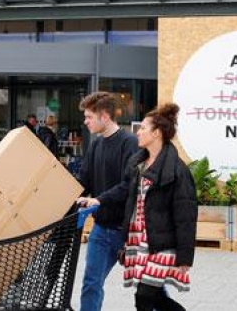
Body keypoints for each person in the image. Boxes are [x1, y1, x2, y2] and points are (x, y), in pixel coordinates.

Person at [121, 103, 197, 311]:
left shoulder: (177, 171)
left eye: (143, 128)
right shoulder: (138, 164)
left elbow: (186, 216)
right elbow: (130, 202)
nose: (138, 132)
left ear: (156, 133)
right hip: (141, 240)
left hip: (163, 244)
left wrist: (185, 257)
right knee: (155, 298)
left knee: (144, 297)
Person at [75, 92, 139, 311]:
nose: (85, 121)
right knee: (91, 284)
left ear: (104, 116)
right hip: (101, 230)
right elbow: (84, 181)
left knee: (150, 287)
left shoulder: (130, 143)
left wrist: (99, 200)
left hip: (128, 232)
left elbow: (129, 184)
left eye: (89, 117)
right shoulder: (96, 145)